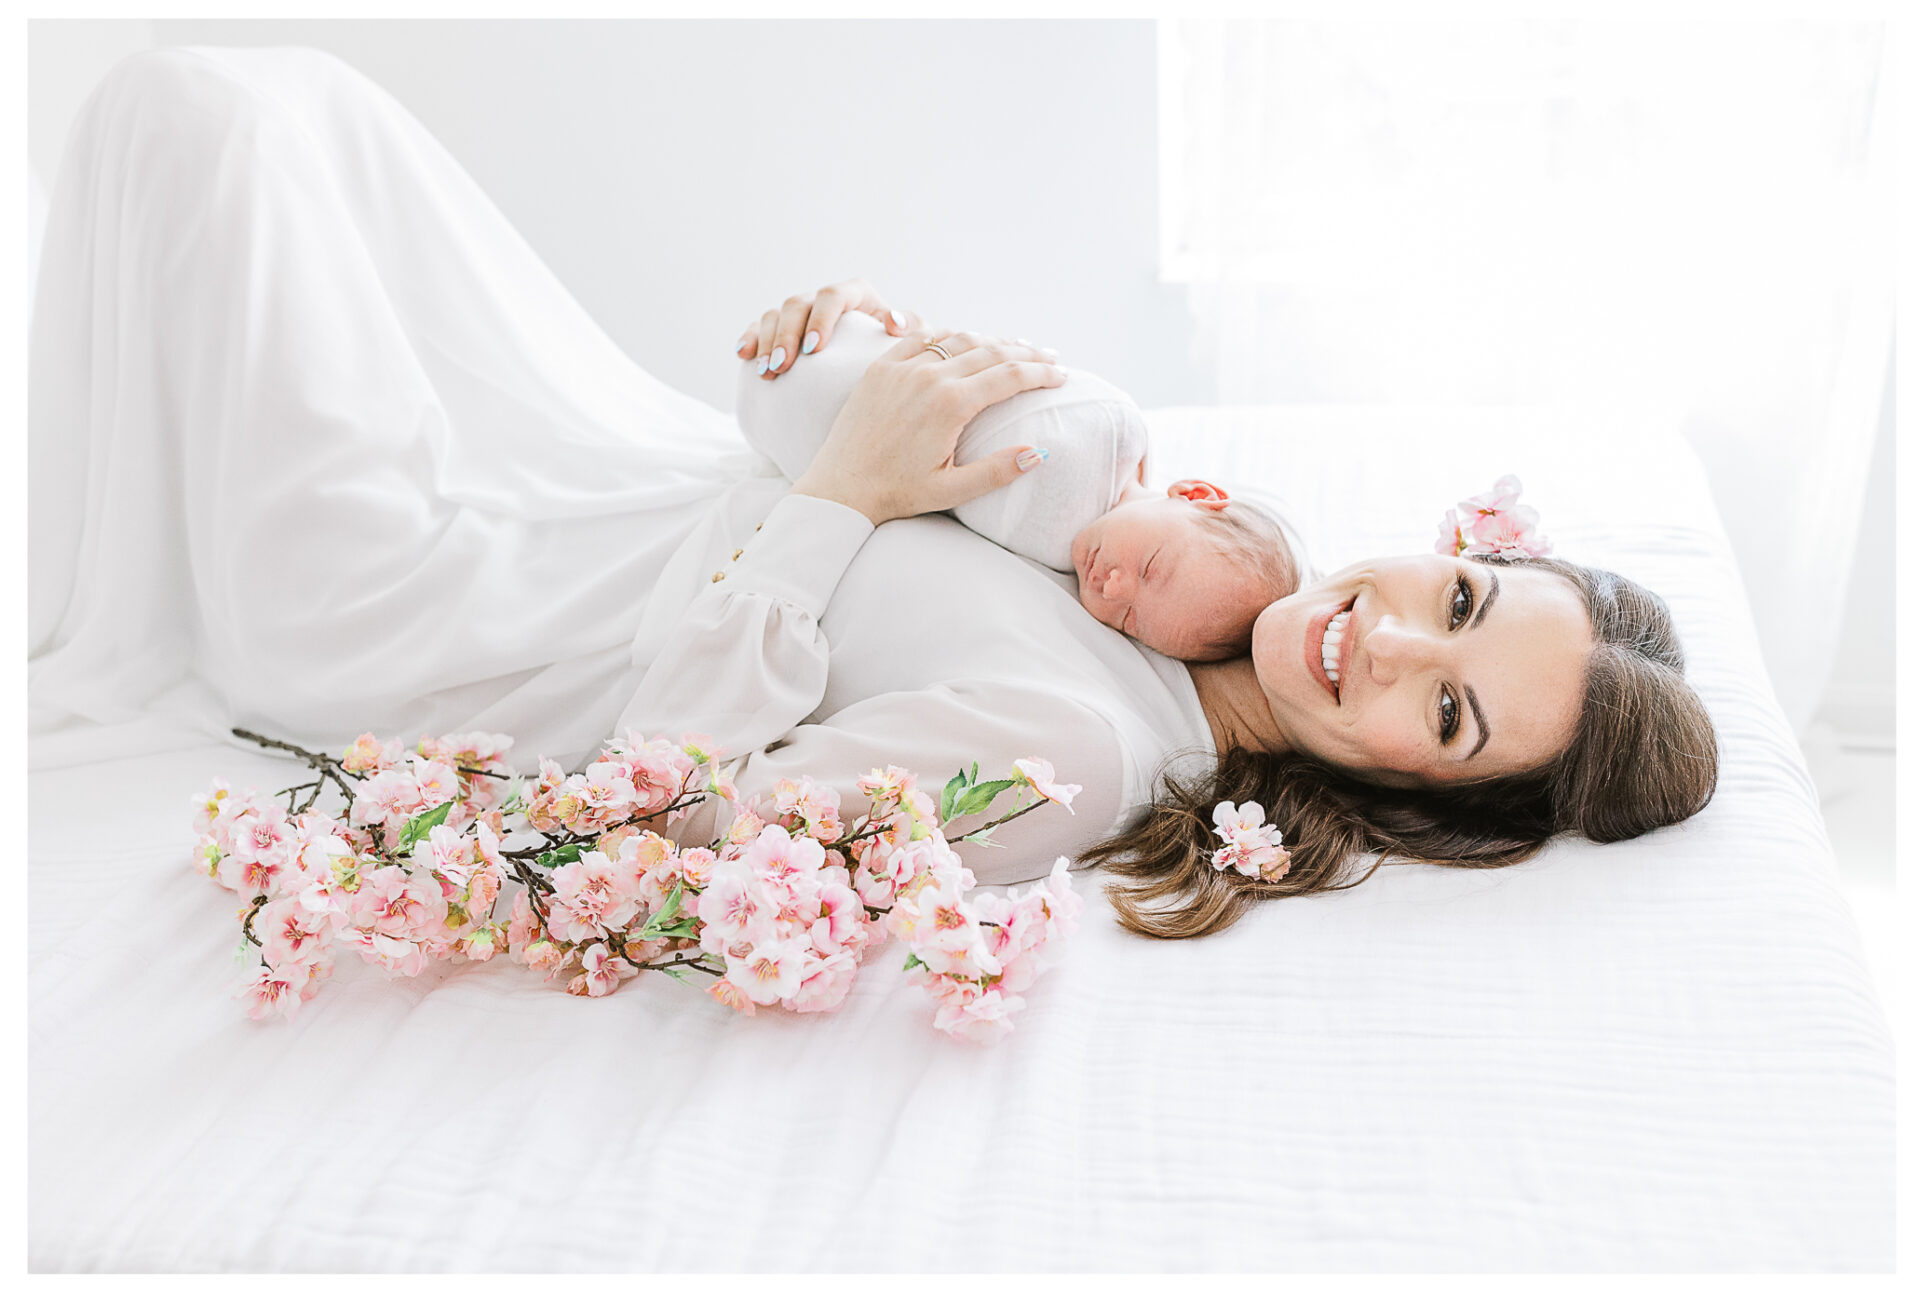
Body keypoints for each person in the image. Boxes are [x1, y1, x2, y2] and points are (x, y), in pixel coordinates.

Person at [28, 46, 1718, 922]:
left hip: (456, 605)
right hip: (600, 463)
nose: (1396, 644)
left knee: (216, 123)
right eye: (1461, 607)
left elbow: (669, 812)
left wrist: (843, 487)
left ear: (1420, 794)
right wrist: (860, 354)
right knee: (323, 121)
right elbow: (943, 491)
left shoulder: (1072, 758)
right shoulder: (1181, 552)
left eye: (1448, 715)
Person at [731, 308, 1304, 661]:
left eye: (1131, 621)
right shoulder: (1096, 452)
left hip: (799, 407)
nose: (1112, 586)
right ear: (1197, 494)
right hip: (825, 371)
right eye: (1150, 568)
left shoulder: (1106, 462)